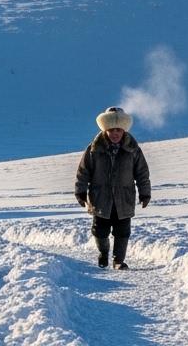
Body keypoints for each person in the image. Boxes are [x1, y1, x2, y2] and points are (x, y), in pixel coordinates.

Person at [74, 106, 151, 269]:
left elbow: (142, 173)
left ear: (123, 130)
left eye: (118, 130)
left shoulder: (133, 150)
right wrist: (80, 191)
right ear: (105, 130)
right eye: (111, 130)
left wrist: (145, 193)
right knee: (100, 231)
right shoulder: (94, 149)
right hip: (100, 198)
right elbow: (83, 171)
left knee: (122, 232)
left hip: (124, 198)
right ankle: (103, 252)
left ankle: (118, 261)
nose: (115, 133)